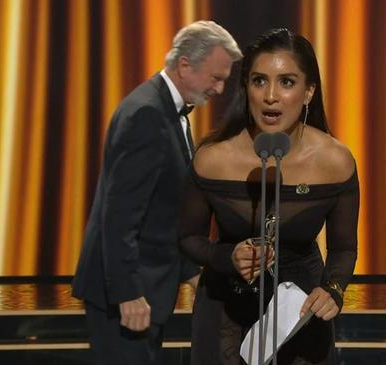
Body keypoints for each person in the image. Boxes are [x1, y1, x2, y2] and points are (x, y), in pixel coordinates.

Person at [178, 28, 359, 364]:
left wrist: (333, 289)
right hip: (224, 307)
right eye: (259, 81)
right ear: (246, 88)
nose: (270, 96)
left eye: (286, 82)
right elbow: (188, 238)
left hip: (300, 308)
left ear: (309, 92)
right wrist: (227, 256)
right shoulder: (212, 158)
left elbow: (344, 248)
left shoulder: (336, 161)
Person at [71, 20, 242, 365]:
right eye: (216, 77)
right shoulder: (147, 114)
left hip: (148, 288)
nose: (221, 89)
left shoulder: (167, 109)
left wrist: (191, 272)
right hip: (126, 295)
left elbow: (164, 208)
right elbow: (119, 217)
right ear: (184, 65)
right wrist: (128, 292)